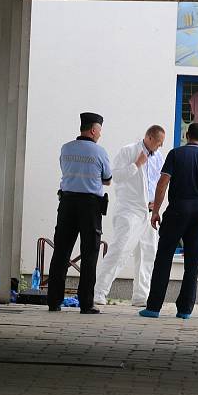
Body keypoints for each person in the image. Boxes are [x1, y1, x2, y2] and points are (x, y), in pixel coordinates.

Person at [139, 122, 198, 319]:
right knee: (192, 262)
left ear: (186, 135)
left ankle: (154, 307)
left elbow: (162, 183)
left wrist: (156, 211)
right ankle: (185, 310)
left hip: (177, 210)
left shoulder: (175, 154)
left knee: (163, 258)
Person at [47, 112, 112, 314]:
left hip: (66, 204)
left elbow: (65, 171)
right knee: (90, 253)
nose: (100, 134)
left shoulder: (66, 149)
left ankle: (54, 301)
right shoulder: (100, 152)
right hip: (90, 207)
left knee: (61, 251)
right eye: (100, 130)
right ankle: (86, 303)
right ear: (93, 130)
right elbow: (108, 178)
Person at [94, 126, 166, 306]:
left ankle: (141, 296)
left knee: (148, 253)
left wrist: (155, 204)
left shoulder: (158, 157)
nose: (159, 147)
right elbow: (115, 176)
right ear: (149, 138)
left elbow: (158, 182)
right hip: (129, 210)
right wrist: (136, 165)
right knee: (120, 249)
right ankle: (98, 292)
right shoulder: (128, 151)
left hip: (149, 212)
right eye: (158, 143)